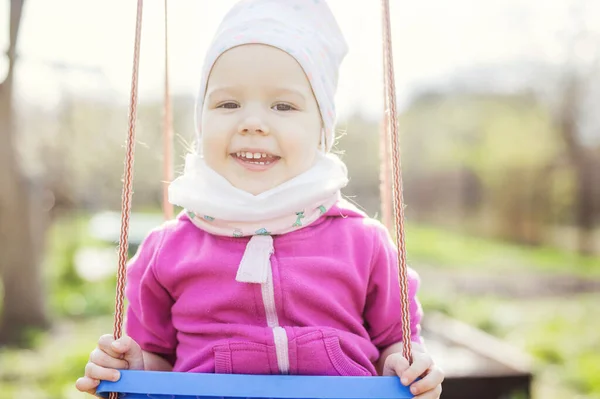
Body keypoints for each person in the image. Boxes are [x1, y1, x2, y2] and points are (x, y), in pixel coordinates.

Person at [75, 0, 444, 397]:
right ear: (201, 123)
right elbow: (157, 357)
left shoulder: (365, 244)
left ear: (322, 130)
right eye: (228, 104)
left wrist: (406, 367)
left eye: (283, 105)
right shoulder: (167, 251)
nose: (252, 123)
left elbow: (392, 342)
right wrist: (134, 368)